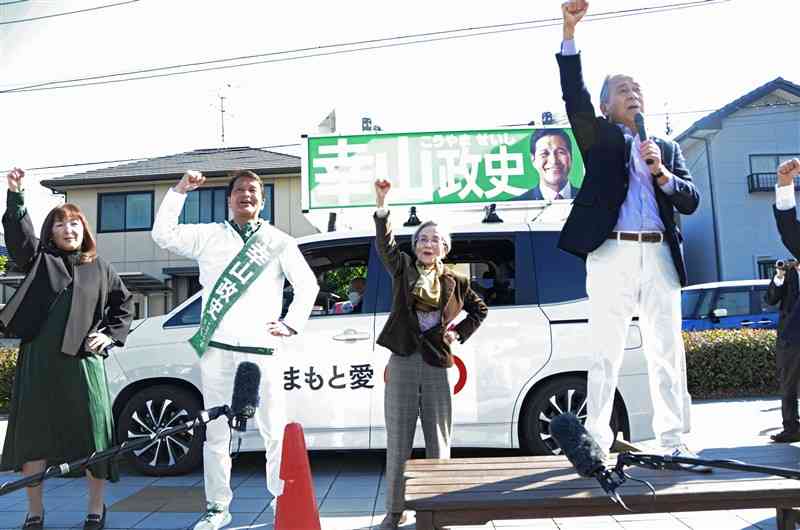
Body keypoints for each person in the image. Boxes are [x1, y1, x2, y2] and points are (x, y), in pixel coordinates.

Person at [555, 1, 704, 469]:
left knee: (667, 352)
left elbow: (690, 200)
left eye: (636, 88)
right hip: (612, 252)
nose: (633, 94)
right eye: (622, 89)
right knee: (605, 350)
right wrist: (569, 31)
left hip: (659, 256)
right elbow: (573, 95)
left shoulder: (667, 147)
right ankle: (598, 439)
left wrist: (662, 174)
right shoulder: (598, 137)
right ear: (606, 105)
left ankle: (675, 438)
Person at [151, 169, 318, 530]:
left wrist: (290, 323)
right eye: (240, 189)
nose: (247, 195)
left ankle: (281, 501)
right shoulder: (209, 235)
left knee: (273, 429)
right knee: (217, 431)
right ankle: (217, 507)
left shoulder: (278, 241)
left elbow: (307, 285)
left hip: (262, 350)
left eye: (253, 190)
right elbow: (162, 235)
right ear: (229, 198)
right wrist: (180, 191)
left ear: (262, 199)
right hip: (217, 348)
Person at [0, 168, 133, 530]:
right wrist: (17, 196)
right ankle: (34, 511)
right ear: (51, 232)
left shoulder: (101, 268)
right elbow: (18, 236)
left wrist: (109, 335)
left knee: (93, 436)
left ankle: (95, 509)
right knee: (34, 439)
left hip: (84, 365)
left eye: (74, 224)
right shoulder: (38, 259)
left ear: (84, 230)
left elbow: (124, 306)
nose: (68, 230)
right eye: (60, 224)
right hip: (38, 363)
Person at [373, 178, 488, 529]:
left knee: (439, 440)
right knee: (398, 441)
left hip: (438, 364)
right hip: (403, 360)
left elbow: (480, 310)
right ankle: (395, 512)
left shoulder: (457, 281)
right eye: (423, 238)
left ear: (445, 248)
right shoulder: (403, 267)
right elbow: (385, 244)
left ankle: (439, 511)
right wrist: (382, 204)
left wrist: (458, 332)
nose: (428, 243)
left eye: (435, 239)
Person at [771, 157, 800, 442]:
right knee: (789, 384)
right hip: (794, 335)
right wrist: (785, 183)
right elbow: (789, 228)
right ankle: (792, 426)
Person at [515, 128, 580, 201]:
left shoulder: (593, 198)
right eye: (544, 154)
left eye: (560, 152)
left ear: (571, 156)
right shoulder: (513, 206)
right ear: (533, 159)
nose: (554, 161)